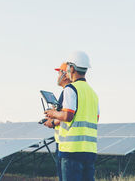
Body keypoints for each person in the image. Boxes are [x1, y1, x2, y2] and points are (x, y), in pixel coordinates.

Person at [45, 51, 99, 181]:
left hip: (71, 151)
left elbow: (68, 115)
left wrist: (52, 114)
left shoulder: (71, 89)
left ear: (72, 68)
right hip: (89, 150)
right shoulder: (93, 93)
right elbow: (95, 118)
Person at [43, 62, 71, 181]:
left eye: (59, 72)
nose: (57, 75)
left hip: (65, 143)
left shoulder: (68, 92)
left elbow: (68, 116)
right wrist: (55, 112)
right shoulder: (68, 92)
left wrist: (52, 121)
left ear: (65, 75)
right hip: (65, 142)